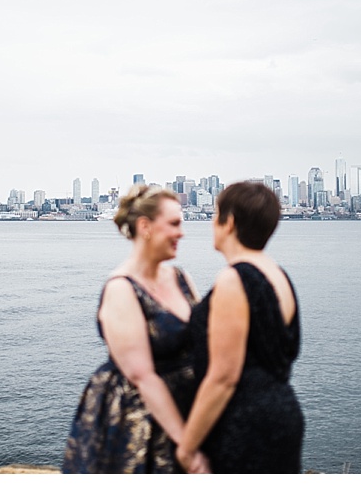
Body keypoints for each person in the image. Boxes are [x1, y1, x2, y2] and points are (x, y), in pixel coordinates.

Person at [62, 184, 210, 474]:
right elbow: (142, 377)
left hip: (188, 411)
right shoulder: (121, 289)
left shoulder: (182, 278)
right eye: (174, 224)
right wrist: (187, 448)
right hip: (141, 423)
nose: (182, 233)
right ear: (145, 227)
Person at [176, 181, 304, 474]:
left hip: (245, 423)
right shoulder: (278, 275)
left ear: (229, 222)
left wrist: (187, 445)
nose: (211, 222)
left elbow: (224, 377)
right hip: (281, 414)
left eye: (215, 213)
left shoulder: (235, 280)